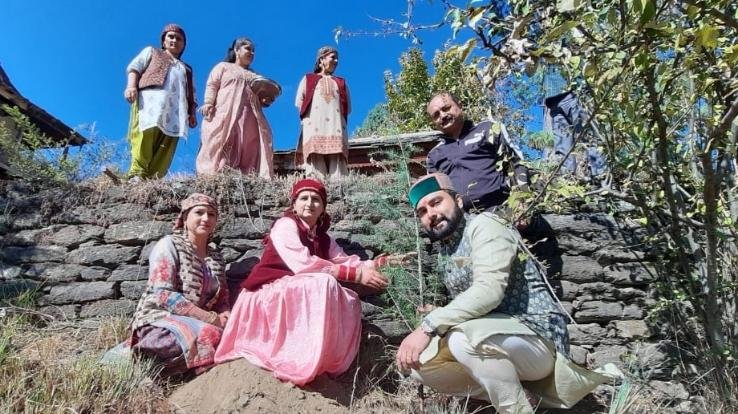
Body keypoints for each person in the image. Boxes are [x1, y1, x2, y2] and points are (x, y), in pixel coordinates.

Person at [397, 173, 614, 413]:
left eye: (436, 202)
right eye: (423, 212)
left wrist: (429, 325)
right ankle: (525, 398)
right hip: (494, 337)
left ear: (457, 201)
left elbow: (489, 292)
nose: (431, 214)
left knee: (463, 340)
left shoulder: (486, 225)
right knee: (417, 364)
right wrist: (438, 314)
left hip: (536, 336)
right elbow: (469, 306)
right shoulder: (446, 252)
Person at [215, 178, 407, 385]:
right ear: (294, 205)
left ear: (323, 208)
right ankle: (296, 357)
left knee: (350, 298)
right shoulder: (285, 225)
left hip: (293, 291)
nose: (309, 203)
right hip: (266, 293)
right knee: (323, 283)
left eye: (316, 199)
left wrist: (380, 263)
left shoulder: (325, 239)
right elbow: (302, 264)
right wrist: (357, 276)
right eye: (303, 198)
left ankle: (323, 360)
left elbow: (346, 261)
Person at [104, 193, 230, 376]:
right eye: (199, 212)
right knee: (195, 335)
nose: (205, 218)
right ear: (185, 217)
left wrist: (225, 315)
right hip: (161, 318)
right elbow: (164, 294)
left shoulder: (216, 257)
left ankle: (180, 370)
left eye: (211, 214)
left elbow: (223, 297)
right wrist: (209, 318)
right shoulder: (169, 245)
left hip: (201, 322)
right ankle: (139, 359)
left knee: (227, 335)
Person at [425, 92, 528, 212]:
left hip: (503, 208)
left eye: (446, 108)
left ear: (460, 105)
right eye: (436, 115)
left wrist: (522, 201)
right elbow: (435, 195)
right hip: (462, 220)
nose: (442, 115)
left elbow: (516, 163)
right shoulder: (434, 155)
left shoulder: (488, 129)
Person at [123, 24, 197, 180]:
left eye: (179, 39)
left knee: (167, 143)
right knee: (145, 134)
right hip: (150, 101)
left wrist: (192, 114)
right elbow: (135, 68)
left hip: (176, 110)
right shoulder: (152, 52)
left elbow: (192, 94)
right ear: (163, 41)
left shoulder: (187, 69)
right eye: (171, 36)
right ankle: (137, 174)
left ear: (183, 45)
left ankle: (153, 179)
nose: (174, 40)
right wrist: (131, 86)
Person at [196, 37, 276, 178]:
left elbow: (262, 96)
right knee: (225, 140)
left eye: (253, 50)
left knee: (249, 144)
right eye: (248, 49)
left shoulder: (255, 76)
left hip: (250, 115)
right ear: (236, 50)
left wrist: (266, 99)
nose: (251, 53)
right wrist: (208, 102)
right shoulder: (223, 67)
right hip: (225, 111)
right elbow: (212, 85)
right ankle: (220, 174)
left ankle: (247, 176)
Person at [295, 46, 351, 180]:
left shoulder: (341, 82)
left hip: (336, 124)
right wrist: (309, 119)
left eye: (337, 58)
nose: (336, 61)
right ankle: (316, 185)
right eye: (333, 57)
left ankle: (338, 187)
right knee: (315, 154)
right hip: (314, 124)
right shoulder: (308, 79)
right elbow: (299, 102)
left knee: (337, 155)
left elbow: (347, 107)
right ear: (322, 60)